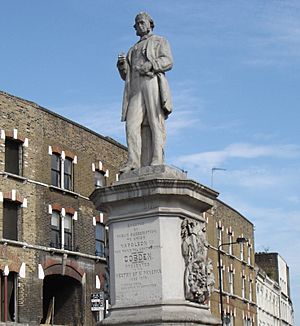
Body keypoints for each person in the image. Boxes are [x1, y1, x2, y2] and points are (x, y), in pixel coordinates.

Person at [117, 12, 173, 173]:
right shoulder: (132, 49)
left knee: (156, 121)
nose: (139, 26)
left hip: (151, 82)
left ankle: (157, 159)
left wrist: (151, 65)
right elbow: (126, 75)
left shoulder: (159, 41)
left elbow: (168, 61)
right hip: (135, 88)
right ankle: (133, 161)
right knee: (131, 124)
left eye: (142, 22)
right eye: (136, 24)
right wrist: (122, 65)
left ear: (150, 24)